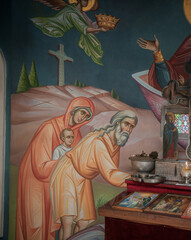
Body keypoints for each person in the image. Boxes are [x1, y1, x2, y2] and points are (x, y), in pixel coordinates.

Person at [50, 110, 137, 240]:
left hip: (83, 177)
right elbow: (110, 174)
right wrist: (136, 179)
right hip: (68, 172)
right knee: (67, 221)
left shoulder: (114, 145)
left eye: (132, 127)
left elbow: (112, 169)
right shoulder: (99, 142)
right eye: (127, 124)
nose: (129, 129)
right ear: (117, 123)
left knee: (83, 222)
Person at [16, 97, 95, 240]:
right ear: (73, 109)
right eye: (82, 112)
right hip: (35, 183)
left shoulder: (77, 135)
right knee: (37, 225)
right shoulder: (49, 127)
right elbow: (40, 168)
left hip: (55, 184)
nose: (82, 117)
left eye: (86, 116)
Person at [31, 0, 107, 65]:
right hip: (54, 29)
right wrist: (100, 29)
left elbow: (90, 25)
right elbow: (85, 29)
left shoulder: (79, 12)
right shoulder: (73, 13)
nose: (86, 2)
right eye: (85, 0)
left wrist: (100, 24)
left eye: (87, 0)